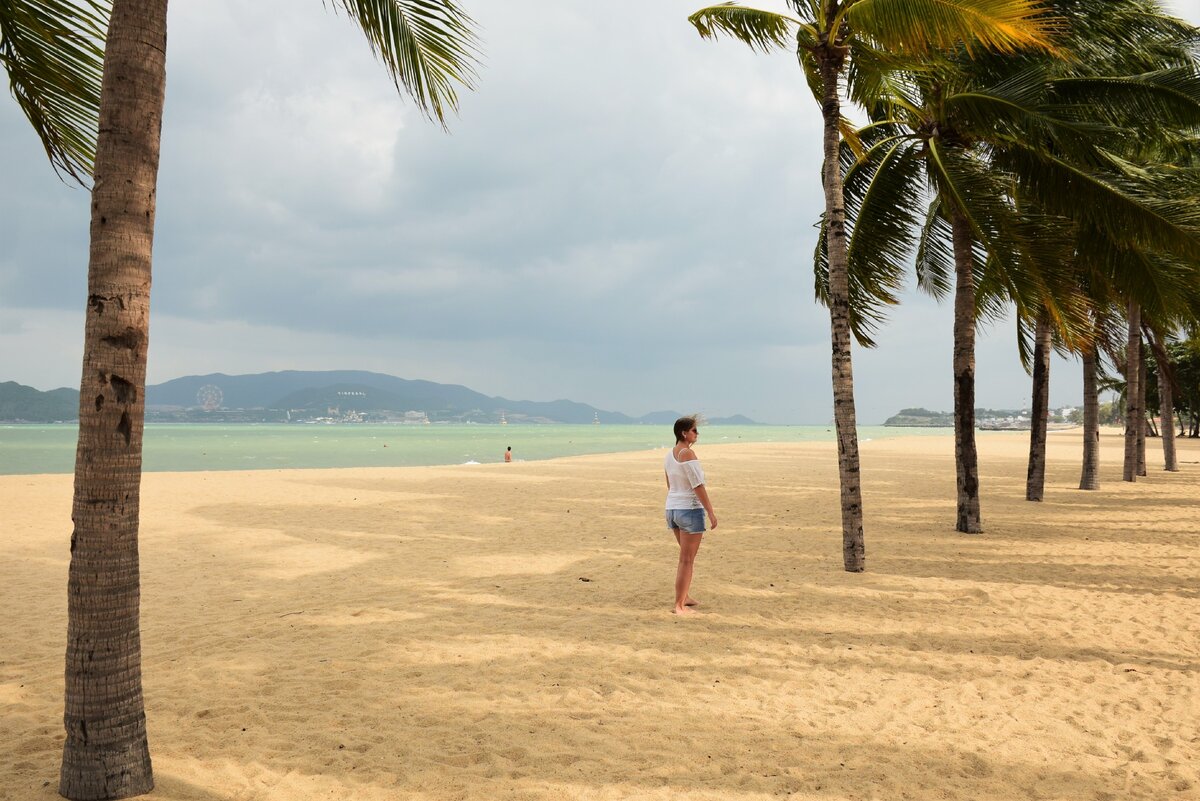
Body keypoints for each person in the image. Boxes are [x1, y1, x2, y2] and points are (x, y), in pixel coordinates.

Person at [664, 415, 717, 615]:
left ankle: (684, 596)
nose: (697, 433)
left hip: (672, 509)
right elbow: (698, 486)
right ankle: (679, 605)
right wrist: (710, 512)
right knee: (686, 560)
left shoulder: (669, 455)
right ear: (684, 433)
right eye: (694, 430)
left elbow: (670, 484)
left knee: (686, 558)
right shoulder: (688, 454)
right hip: (689, 510)